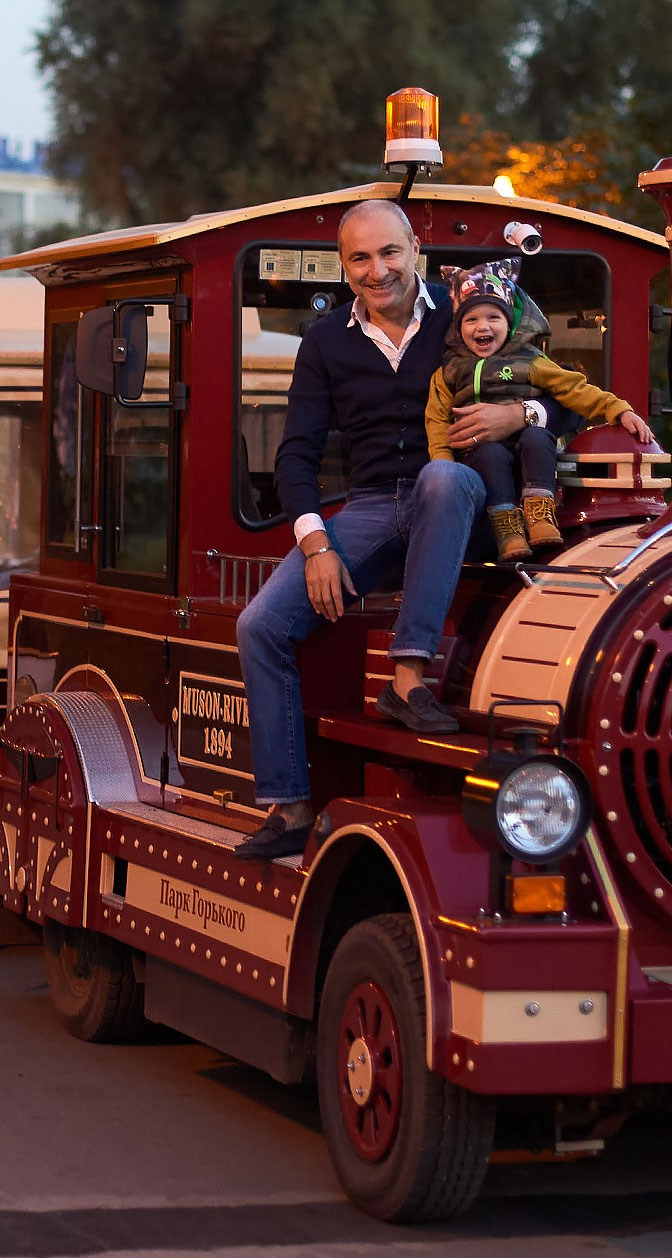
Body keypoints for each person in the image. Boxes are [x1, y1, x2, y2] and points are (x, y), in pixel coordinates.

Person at [233, 201, 555, 860]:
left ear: (414, 248)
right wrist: (316, 542)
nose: (377, 271)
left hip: (468, 498)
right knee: (259, 625)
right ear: (344, 266)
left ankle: (409, 682)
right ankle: (288, 803)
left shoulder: (467, 310)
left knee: (445, 479)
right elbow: (296, 453)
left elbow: (563, 395)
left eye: (389, 253)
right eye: (360, 258)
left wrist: (515, 415)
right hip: (375, 505)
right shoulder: (325, 340)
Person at [426, 258, 656, 562]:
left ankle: (540, 514)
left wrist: (618, 410)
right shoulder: (449, 372)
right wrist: (447, 471)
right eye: (471, 320)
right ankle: (506, 528)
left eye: (494, 317)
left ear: (511, 324)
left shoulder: (531, 361)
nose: (483, 326)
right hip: (480, 458)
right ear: (459, 329)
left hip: (528, 453)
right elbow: (437, 422)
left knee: (538, 437)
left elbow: (574, 389)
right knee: (490, 452)